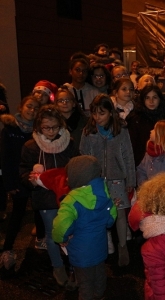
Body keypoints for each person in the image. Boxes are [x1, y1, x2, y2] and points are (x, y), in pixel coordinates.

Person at [20, 105, 79, 286]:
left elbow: (76, 166)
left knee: (71, 232)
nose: (51, 131)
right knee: (52, 234)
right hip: (44, 197)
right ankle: (57, 266)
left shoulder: (69, 143)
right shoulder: (31, 146)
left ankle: (75, 267)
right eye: (46, 127)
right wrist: (29, 179)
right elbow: (22, 170)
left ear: (61, 125)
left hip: (66, 196)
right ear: (39, 127)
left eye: (54, 127)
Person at [80, 95, 136, 266]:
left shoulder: (121, 131)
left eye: (102, 113)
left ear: (111, 113)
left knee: (119, 214)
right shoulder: (89, 132)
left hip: (117, 178)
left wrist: (130, 180)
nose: (97, 118)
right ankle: (107, 241)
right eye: (95, 114)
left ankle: (123, 246)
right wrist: (85, 179)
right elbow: (84, 156)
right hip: (97, 180)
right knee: (101, 213)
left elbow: (128, 156)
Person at [52, 155, 117, 300]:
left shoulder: (71, 200)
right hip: (100, 248)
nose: (67, 179)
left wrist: (60, 238)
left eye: (69, 175)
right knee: (100, 275)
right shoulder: (103, 193)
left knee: (85, 282)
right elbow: (111, 218)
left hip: (81, 253)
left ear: (77, 176)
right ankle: (99, 294)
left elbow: (62, 224)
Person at [0, 96, 42, 271]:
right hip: (18, 179)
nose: (31, 110)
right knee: (17, 214)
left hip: (34, 177)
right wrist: (9, 183)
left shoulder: (38, 129)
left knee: (39, 211)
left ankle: (41, 243)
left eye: (35, 108)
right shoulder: (10, 129)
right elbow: (5, 158)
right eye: (29, 106)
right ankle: (7, 248)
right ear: (21, 107)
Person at [126, 85, 165, 167]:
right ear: (143, 100)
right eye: (147, 98)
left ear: (160, 99)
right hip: (141, 163)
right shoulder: (135, 118)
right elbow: (131, 146)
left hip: (164, 162)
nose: (151, 101)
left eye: (155, 97)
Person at [136, 120, 165, 186]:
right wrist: (144, 184)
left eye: (154, 130)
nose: (151, 131)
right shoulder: (148, 154)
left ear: (161, 135)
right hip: (149, 191)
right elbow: (141, 170)